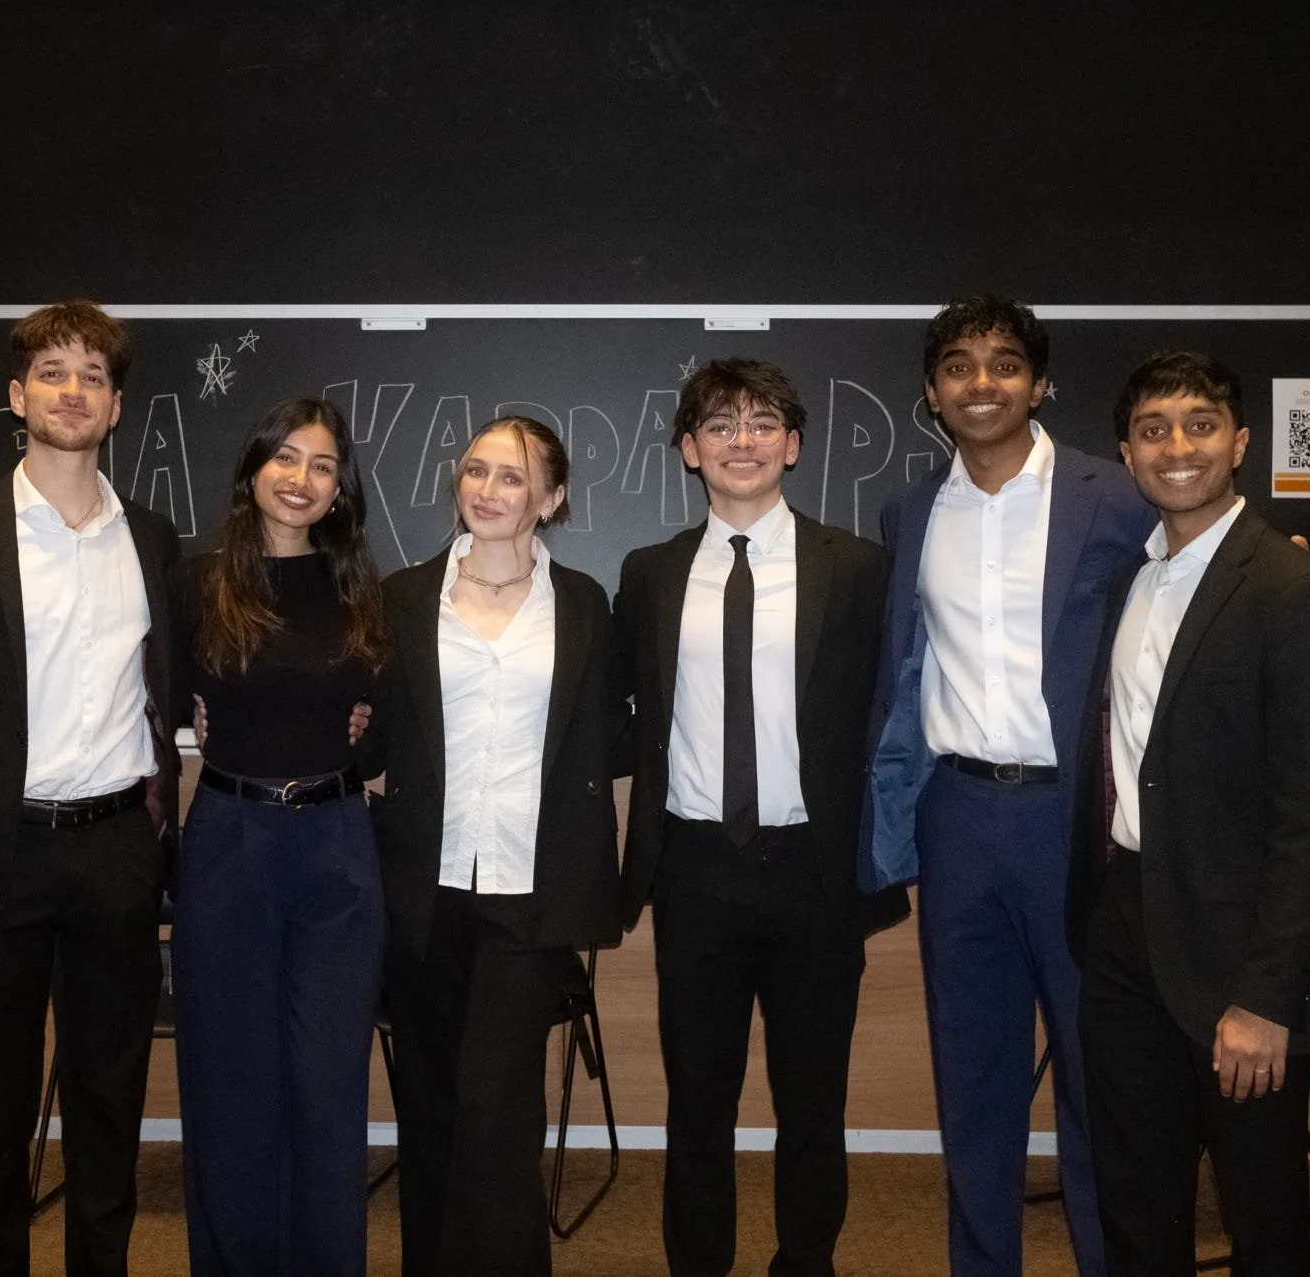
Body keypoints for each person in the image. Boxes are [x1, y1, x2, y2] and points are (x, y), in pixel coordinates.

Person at [860, 296, 1143, 1276]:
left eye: (1003, 364)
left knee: (1089, 1069)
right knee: (971, 1077)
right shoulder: (907, 510)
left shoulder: (1113, 495)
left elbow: (1204, 578)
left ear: (1038, 381)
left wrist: (1305, 573)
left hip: (1076, 822)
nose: (981, 382)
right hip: (958, 818)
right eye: (958, 366)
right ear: (930, 390)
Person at [614, 359, 909, 1277]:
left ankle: (806, 1261)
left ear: (792, 444)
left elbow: (901, 697)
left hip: (814, 871)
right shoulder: (651, 572)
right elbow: (619, 711)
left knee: (811, 1097)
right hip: (696, 868)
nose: (741, 440)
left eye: (762, 422)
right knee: (698, 1101)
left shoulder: (857, 567)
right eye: (719, 424)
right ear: (688, 451)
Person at [0, 302, 182, 1277]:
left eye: (93, 375)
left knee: (109, 1090)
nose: (73, 390)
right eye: (52, 371)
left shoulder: (150, 540)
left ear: (115, 406)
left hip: (117, 848)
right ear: (16, 395)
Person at [1081, 351, 1310, 1276]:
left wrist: (1265, 1001)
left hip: (1241, 958)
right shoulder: (1132, 580)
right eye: (1153, 430)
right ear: (1128, 454)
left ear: (1239, 443)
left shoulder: (1295, 593)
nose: (1177, 447)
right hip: (1125, 932)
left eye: (1200, 425)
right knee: (1136, 1201)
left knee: (1263, 1217)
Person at [361, 416, 626, 1277]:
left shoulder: (584, 604)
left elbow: (610, 739)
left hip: (531, 893)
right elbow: (371, 736)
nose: (488, 490)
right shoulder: (401, 598)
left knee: (494, 1109)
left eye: (513, 478)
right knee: (431, 1106)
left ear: (551, 499)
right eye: (476, 470)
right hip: (422, 889)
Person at [172, 396, 390, 1276]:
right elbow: (152, 693)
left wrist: (364, 736)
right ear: (253, 470)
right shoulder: (195, 581)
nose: (302, 479)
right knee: (230, 1083)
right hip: (229, 837)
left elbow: (386, 726)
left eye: (323, 466)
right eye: (286, 459)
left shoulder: (360, 589)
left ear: (340, 490)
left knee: (327, 1083)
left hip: (337, 846)